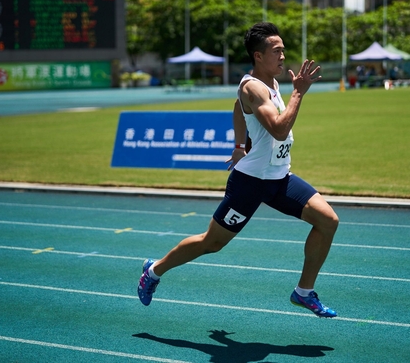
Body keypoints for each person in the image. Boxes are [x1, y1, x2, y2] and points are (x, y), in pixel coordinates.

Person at [137, 22, 340, 317]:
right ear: (258, 56)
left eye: (284, 50)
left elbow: (237, 106)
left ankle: (304, 292)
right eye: (276, 51)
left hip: (279, 178)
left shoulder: (269, 83)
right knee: (212, 243)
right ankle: (154, 270)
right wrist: (299, 94)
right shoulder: (254, 87)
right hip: (250, 182)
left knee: (328, 221)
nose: (283, 56)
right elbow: (280, 131)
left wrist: (239, 143)